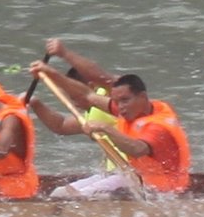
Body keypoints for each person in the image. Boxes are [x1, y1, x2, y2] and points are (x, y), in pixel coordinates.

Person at [25, 57, 189, 197]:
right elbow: (87, 96)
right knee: (60, 194)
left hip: (163, 192)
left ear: (143, 97)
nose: (120, 107)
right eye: (117, 102)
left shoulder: (158, 126)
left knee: (78, 199)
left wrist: (105, 128)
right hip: (134, 177)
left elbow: (137, 149)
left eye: (125, 100)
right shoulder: (131, 110)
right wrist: (50, 74)